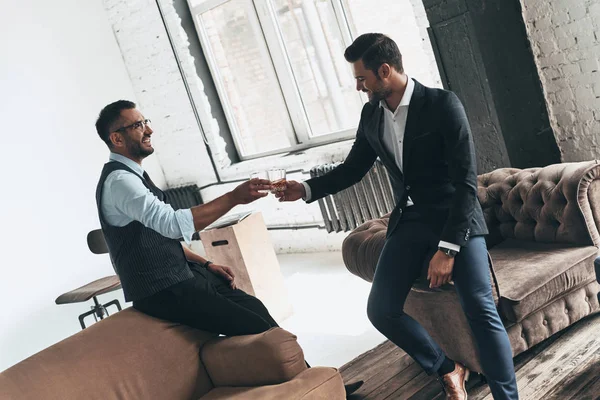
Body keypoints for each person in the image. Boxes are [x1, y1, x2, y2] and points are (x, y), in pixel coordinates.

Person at [276, 33, 519, 400]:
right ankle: (447, 368)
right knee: (381, 310)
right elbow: (353, 169)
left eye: (362, 78)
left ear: (384, 71)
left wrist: (448, 249)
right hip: (410, 221)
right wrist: (306, 190)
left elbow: (466, 184)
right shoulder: (372, 113)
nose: (358, 87)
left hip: (456, 220)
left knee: (481, 309)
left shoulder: (442, 105)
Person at [94, 100, 362, 396]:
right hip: (160, 289)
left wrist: (206, 264)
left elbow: (159, 238)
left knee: (256, 309)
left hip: (181, 275)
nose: (149, 130)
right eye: (138, 125)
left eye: (145, 121)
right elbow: (171, 224)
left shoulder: (132, 175)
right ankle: (319, 391)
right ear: (116, 138)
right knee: (254, 326)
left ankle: (317, 382)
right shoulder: (120, 182)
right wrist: (234, 196)